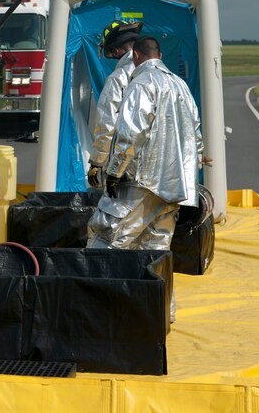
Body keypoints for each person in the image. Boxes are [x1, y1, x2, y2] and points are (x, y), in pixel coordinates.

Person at [87, 36, 204, 322]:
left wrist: (113, 172)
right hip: (173, 188)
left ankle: (97, 317)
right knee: (156, 251)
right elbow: (196, 137)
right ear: (159, 55)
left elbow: (129, 133)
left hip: (141, 182)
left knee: (107, 241)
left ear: (136, 56)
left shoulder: (140, 84)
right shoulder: (180, 85)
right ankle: (161, 315)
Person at [86, 19, 144, 189]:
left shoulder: (118, 78)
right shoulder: (162, 76)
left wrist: (97, 162)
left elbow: (107, 123)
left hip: (127, 165)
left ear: (115, 49)